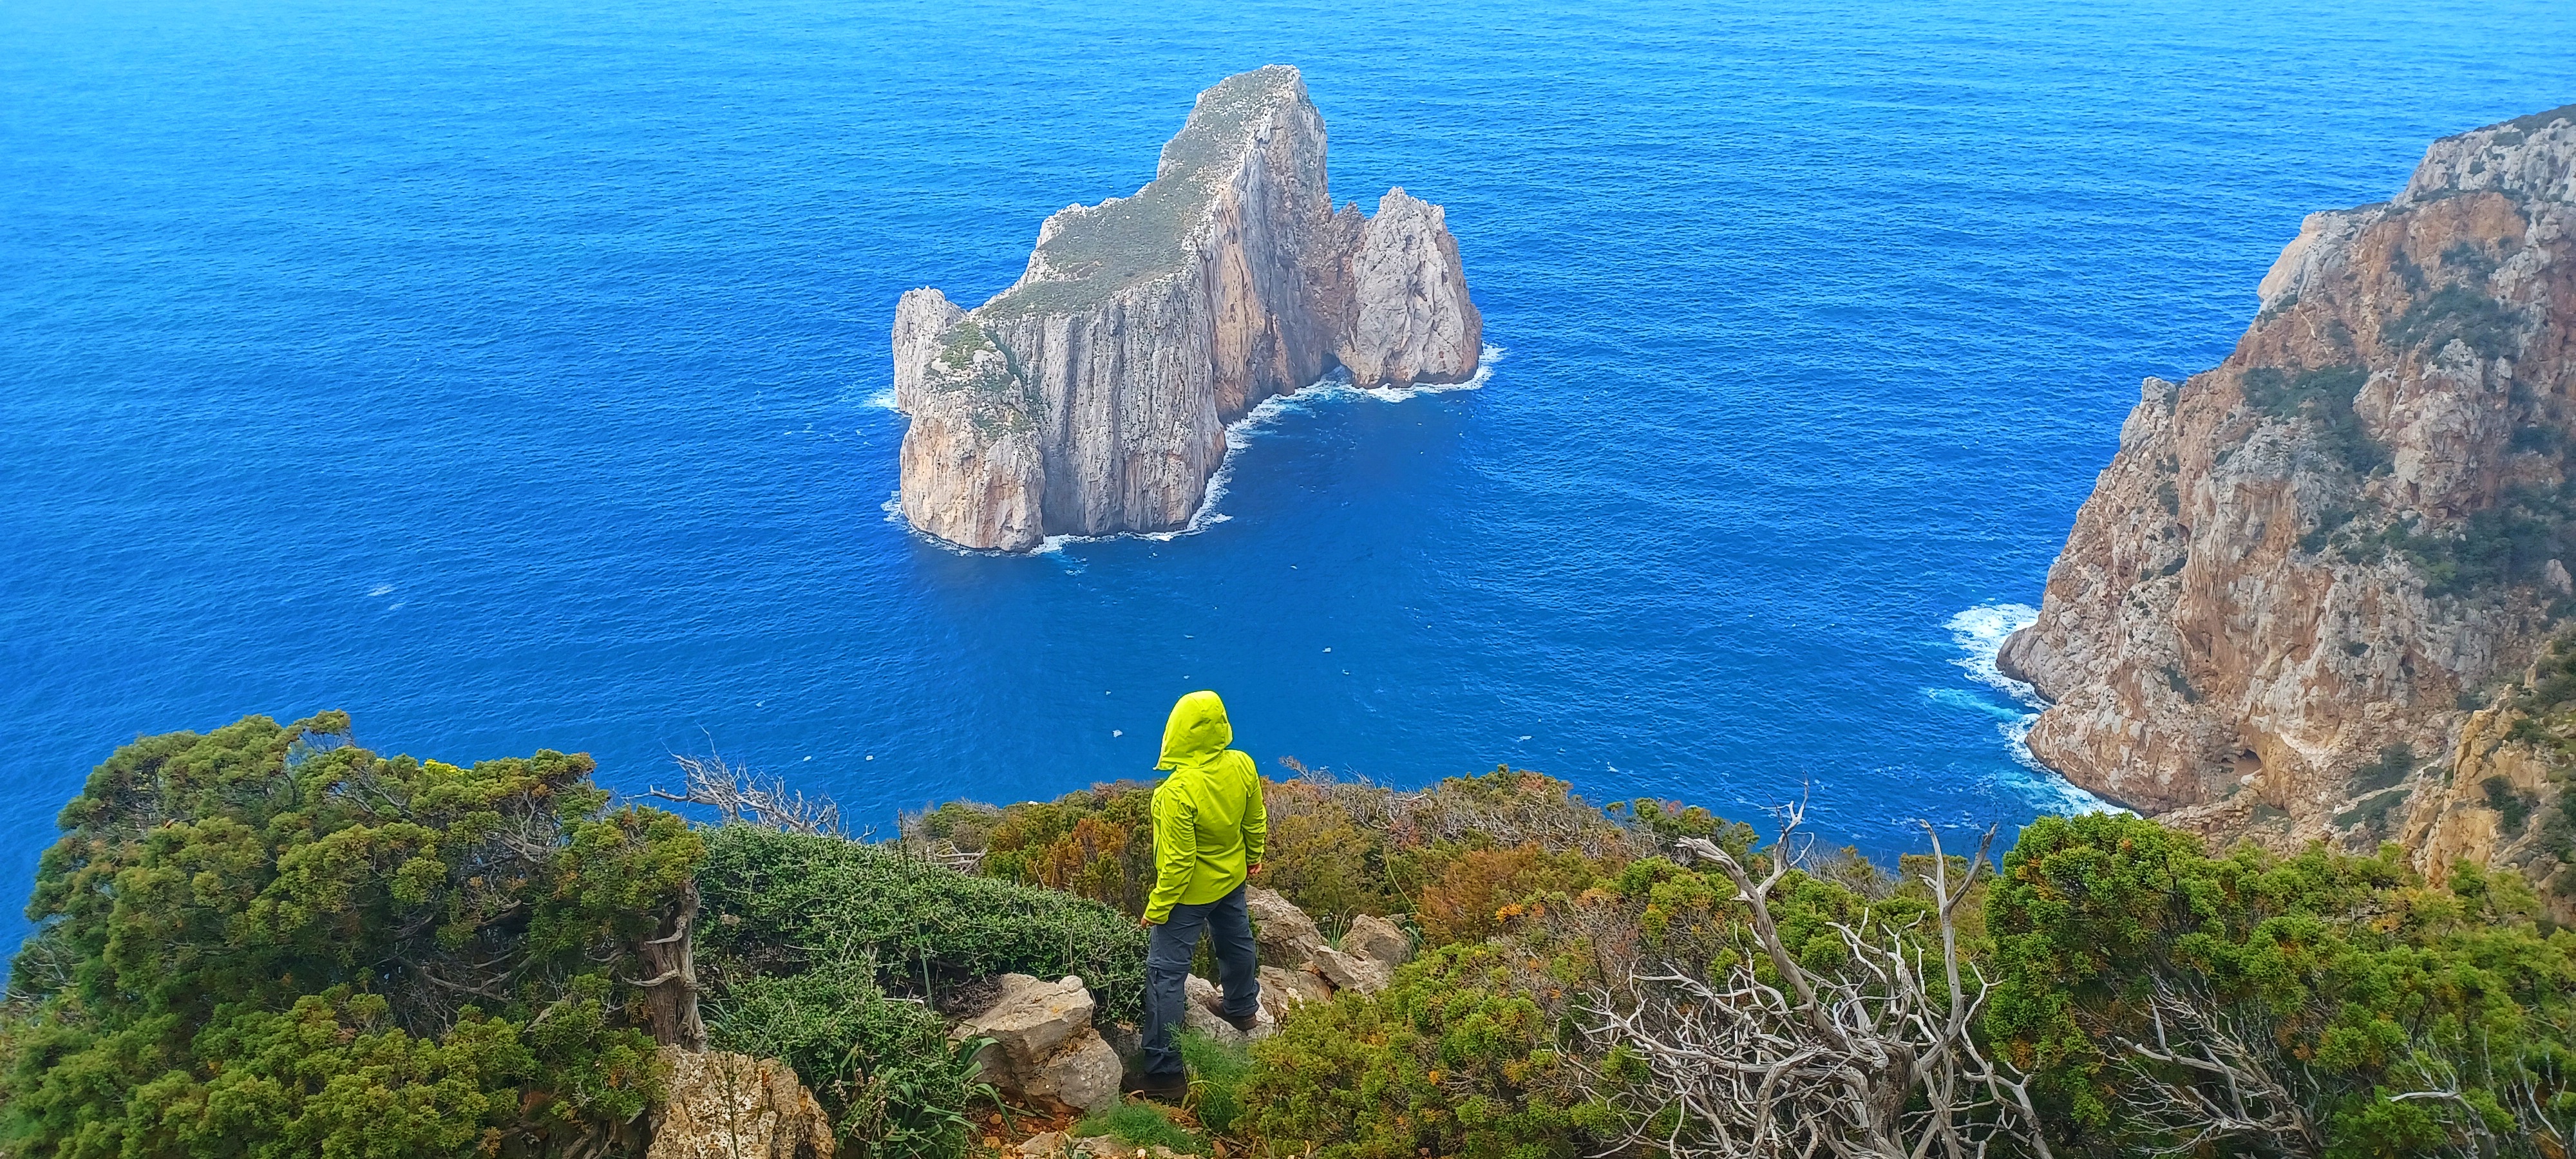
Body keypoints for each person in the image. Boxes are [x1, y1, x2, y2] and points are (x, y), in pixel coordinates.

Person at [1125, 690, 1265, 1101]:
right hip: (1232, 879)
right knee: (1237, 940)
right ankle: (1242, 1009)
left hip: (1188, 897)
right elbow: (1254, 819)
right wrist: (1253, 857)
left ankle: (1164, 1073)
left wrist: (1157, 907)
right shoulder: (1242, 764)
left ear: (1177, 732)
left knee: (1165, 974)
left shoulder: (1175, 792)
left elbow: (1178, 863)